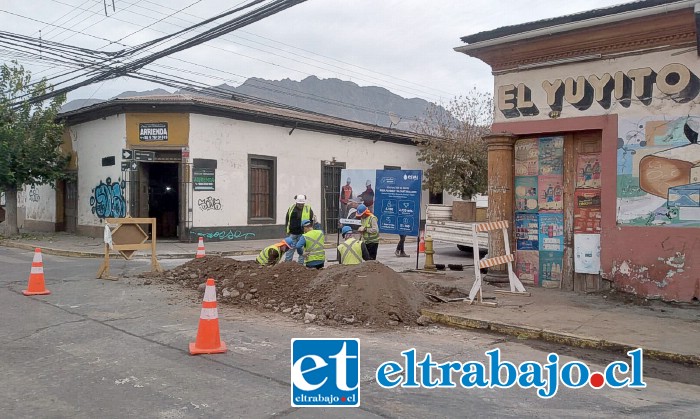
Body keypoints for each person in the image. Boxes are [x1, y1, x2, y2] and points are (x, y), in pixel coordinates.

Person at [285, 194, 314, 263]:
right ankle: (287, 264)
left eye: (302, 204)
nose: (301, 205)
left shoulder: (308, 208)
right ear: (296, 202)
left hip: (303, 233)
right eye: (299, 204)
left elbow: (311, 221)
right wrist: (287, 229)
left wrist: (310, 231)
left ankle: (300, 264)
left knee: (302, 249)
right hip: (293, 233)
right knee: (290, 249)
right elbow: (287, 219)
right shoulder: (291, 208)